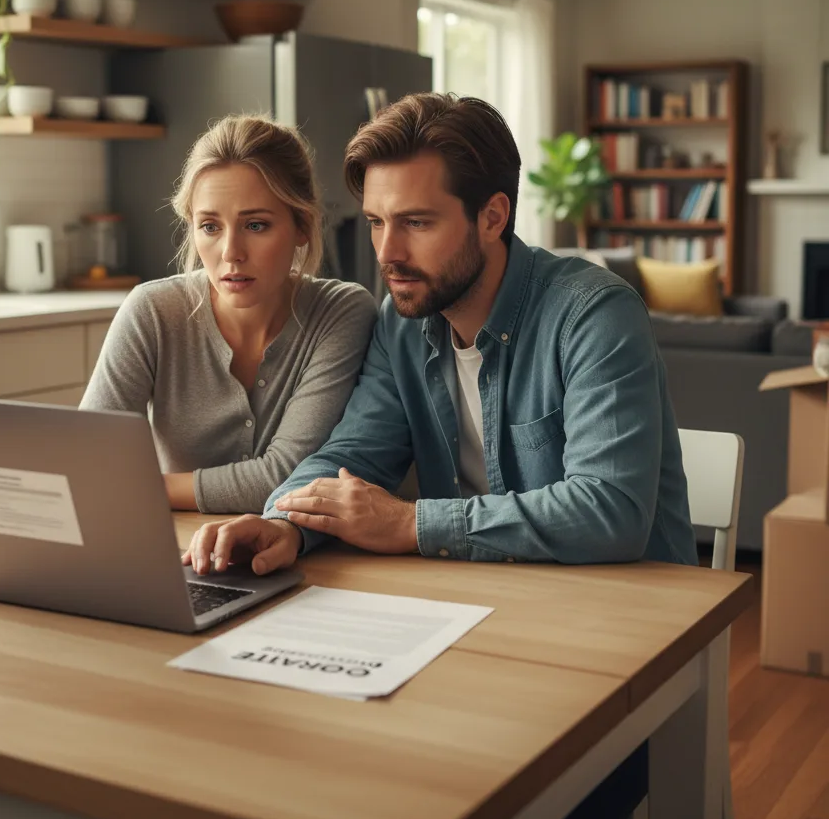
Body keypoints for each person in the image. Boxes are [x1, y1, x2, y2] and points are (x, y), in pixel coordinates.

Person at [183, 92, 697, 574]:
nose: (387, 253)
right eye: (377, 222)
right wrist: (283, 524)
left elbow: (610, 512)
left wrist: (410, 523)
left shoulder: (593, 314)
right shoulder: (400, 324)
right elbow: (353, 455)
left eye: (416, 223)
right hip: (479, 597)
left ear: (492, 217)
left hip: (628, 613)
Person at [81, 114, 378, 514]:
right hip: (174, 547)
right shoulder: (151, 313)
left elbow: (286, 476)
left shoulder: (341, 312)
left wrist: (141, 487)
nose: (230, 252)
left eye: (255, 225)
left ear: (302, 226)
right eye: (209, 226)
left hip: (298, 548)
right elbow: (89, 464)